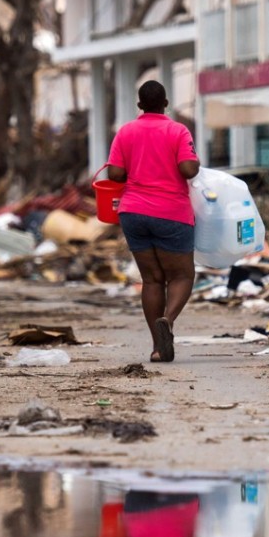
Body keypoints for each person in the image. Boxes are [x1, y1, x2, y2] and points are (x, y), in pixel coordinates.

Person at [108, 80, 200, 363]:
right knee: (182, 275)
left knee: (151, 280)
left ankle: (158, 347)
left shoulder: (126, 131)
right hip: (170, 212)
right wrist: (193, 161)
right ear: (166, 104)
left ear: (139, 105)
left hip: (133, 212)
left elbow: (114, 173)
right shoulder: (177, 130)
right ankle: (168, 321)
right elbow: (187, 169)